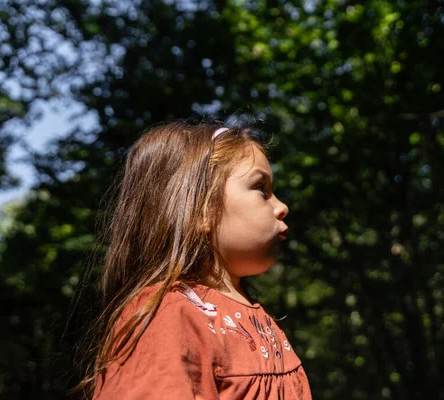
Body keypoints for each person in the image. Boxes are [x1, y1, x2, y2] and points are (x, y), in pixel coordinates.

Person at [79, 121, 312, 399]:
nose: (282, 206)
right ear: (200, 209)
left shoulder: (256, 315)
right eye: (261, 188)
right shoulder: (168, 314)